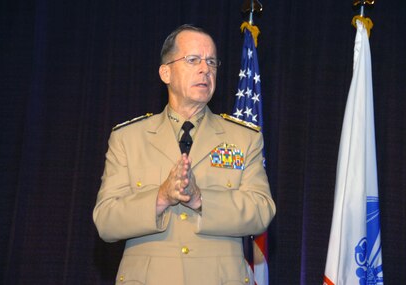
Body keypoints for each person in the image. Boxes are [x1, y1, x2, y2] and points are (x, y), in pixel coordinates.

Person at [93, 24, 276, 285]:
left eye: (211, 62)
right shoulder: (128, 138)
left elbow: (262, 211)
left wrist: (201, 199)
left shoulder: (244, 138)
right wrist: (161, 196)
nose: (205, 69)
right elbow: (106, 220)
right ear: (165, 72)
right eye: (193, 60)